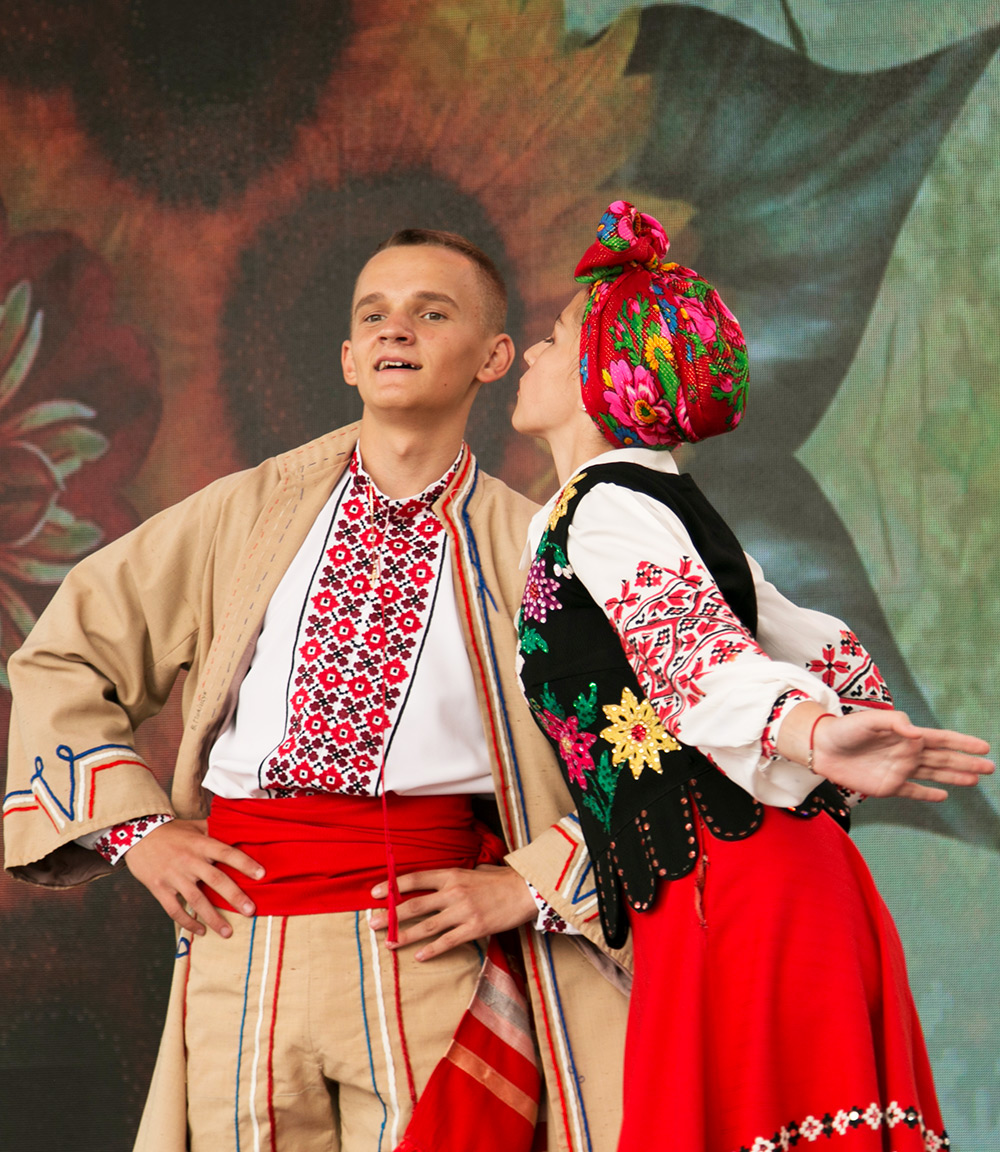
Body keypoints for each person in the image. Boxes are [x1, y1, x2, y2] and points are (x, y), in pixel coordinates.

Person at [3, 230, 634, 1152]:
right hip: (238, 941)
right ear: (346, 356)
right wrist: (139, 834)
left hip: (428, 949)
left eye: (432, 313)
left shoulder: (539, 548)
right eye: (373, 315)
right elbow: (66, 654)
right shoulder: (247, 513)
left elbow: (656, 753)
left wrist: (524, 885)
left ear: (495, 357)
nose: (395, 331)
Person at [510, 201, 994, 1152]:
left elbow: (697, 653)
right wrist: (831, 722)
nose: (531, 349)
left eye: (556, 335)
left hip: (737, 894)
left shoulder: (608, 506)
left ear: (602, 369)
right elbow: (799, 640)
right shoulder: (645, 505)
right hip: (748, 890)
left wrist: (813, 732)